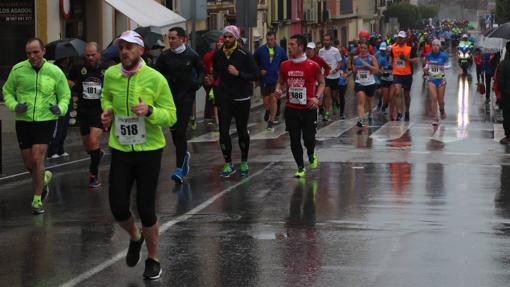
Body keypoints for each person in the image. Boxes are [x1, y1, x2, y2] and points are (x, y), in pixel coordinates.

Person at [101, 30, 177, 280]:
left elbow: (171, 115)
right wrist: (107, 111)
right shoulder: (111, 75)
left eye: (130, 47)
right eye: (122, 47)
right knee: (118, 207)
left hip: (149, 151)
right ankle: (135, 237)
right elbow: (106, 97)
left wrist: (151, 111)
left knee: (145, 208)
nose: (124, 52)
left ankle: (153, 259)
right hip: (121, 148)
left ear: (141, 51)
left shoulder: (156, 79)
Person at [2, 38, 70, 214]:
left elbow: (65, 95)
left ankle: (37, 199)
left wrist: (60, 108)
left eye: (35, 52)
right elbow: (7, 91)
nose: (32, 56)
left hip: (45, 120)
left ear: (43, 51)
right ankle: (44, 178)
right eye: (28, 53)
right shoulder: (18, 70)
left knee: (37, 157)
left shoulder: (55, 72)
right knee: (29, 162)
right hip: (24, 121)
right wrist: (14, 105)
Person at [156, 27, 204, 184]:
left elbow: (202, 71)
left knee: (181, 130)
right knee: (175, 132)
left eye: (173, 38)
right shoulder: (164, 57)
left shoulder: (192, 55)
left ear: (183, 39)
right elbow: (157, 75)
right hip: (169, 99)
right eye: (169, 38)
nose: (170, 41)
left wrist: (196, 84)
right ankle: (184, 157)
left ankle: (178, 169)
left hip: (186, 98)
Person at [275, 34, 325, 178]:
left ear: (301, 47)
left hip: (308, 108)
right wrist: (278, 89)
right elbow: (280, 81)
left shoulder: (312, 65)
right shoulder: (285, 65)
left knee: (309, 139)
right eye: (288, 45)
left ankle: (310, 153)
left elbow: (322, 82)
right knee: (294, 139)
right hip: (291, 108)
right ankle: (300, 167)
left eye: (292, 45)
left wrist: (317, 97)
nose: (289, 47)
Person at [212, 25, 259, 177]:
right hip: (225, 98)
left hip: (241, 97)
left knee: (241, 130)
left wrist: (239, 74)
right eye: (225, 37)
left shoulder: (244, 54)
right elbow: (216, 73)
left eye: (230, 37)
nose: (226, 40)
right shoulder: (218, 55)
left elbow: (255, 75)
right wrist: (211, 80)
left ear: (236, 38)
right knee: (223, 132)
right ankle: (228, 163)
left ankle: (244, 161)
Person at [68, 42, 106, 188]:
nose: (90, 58)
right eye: (88, 55)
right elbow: (69, 80)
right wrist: (78, 88)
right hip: (83, 110)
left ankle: (93, 175)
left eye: (93, 55)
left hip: (98, 110)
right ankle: (97, 154)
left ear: (99, 54)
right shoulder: (78, 67)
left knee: (94, 141)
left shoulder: (106, 69)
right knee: (88, 146)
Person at [254, 31, 288, 131]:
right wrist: (259, 70)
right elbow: (253, 63)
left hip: (276, 80)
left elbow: (285, 63)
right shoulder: (260, 51)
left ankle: (271, 121)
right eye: (268, 40)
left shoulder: (280, 50)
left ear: (275, 39)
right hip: (264, 80)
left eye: (271, 40)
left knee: (273, 98)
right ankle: (268, 111)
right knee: (266, 100)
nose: (269, 42)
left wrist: (283, 76)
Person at [47, 57, 72, 159]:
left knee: (64, 127)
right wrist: (66, 82)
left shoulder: (67, 69)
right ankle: (52, 151)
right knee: (58, 127)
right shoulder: (55, 69)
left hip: (66, 102)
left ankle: (60, 149)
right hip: (58, 103)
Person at [390, 31, 418, 121]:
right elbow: (391, 59)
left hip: (407, 74)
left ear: (405, 39)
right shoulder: (393, 48)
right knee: (397, 92)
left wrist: (406, 59)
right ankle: (399, 112)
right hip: (397, 74)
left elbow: (416, 60)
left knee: (406, 95)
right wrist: (391, 65)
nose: (400, 39)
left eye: (402, 38)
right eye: (399, 37)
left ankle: (407, 111)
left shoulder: (410, 48)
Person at [424, 39, 449, 126]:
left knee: (440, 100)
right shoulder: (428, 55)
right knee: (434, 98)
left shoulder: (443, 56)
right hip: (432, 79)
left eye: (437, 45)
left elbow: (449, 66)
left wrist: (444, 67)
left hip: (441, 80)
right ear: (432, 46)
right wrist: (426, 68)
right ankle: (435, 117)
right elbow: (427, 64)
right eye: (434, 45)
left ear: (439, 47)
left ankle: (442, 110)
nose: (435, 47)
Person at [353, 42, 379, 127]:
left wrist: (367, 65)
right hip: (359, 82)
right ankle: (360, 119)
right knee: (361, 101)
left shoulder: (372, 58)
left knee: (369, 100)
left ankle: (370, 113)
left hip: (370, 83)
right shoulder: (356, 58)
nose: (363, 50)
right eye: (361, 48)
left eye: (365, 48)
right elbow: (354, 69)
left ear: (368, 49)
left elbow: (376, 70)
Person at [319, 34, 342, 121]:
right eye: (324, 40)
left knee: (334, 95)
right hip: (326, 76)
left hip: (335, 76)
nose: (325, 42)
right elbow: (319, 63)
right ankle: (327, 113)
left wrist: (336, 69)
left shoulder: (335, 51)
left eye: (327, 40)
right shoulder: (320, 51)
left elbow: (340, 63)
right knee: (326, 94)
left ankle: (334, 103)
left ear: (330, 41)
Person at [203, 36, 223, 125]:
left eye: (221, 42)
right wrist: (208, 75)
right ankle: (215, 118)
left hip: (223, 81)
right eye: (217, 42)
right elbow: (208, 67)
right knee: (214, 99)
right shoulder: (210, 55)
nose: (219, 43)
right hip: (213, 80)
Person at [497, 42, 510, 144]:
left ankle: (508, 136)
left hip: (506, 95)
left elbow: (499, 80)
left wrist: (503, 91)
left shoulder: (502, 64)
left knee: (507, 115)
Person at [375, 42, 393, 116]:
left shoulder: (393, 58)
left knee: (389, 98)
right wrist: (381, 72)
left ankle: (384, 106)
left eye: (384, 50)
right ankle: (380, 101)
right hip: (381, 77)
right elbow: (377, 67)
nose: (383, 52)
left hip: (391, 80)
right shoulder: (378, 55)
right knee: (380, 93)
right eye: (381, 50)